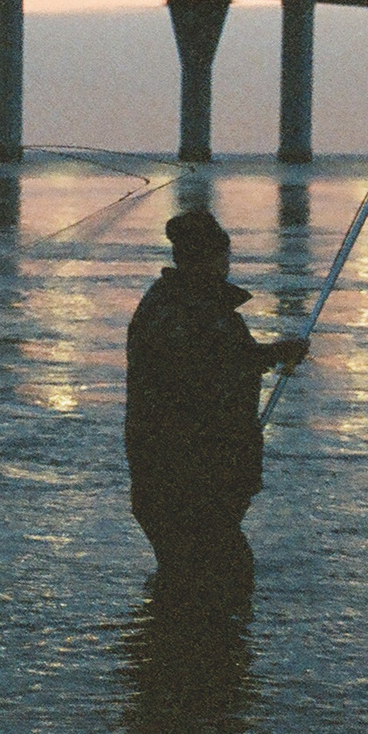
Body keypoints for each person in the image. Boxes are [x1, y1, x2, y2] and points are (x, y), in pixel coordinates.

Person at [123, 207, 308, 598]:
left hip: (180, 479)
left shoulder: (179, 304)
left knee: (192, 583)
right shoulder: (185, 310)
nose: (228, 264)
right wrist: (274, 355)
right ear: (208, 258)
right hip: (188, 481)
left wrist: (272, 356)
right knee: (217, 582)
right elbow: (207, 372)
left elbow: (218, 362)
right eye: (225, 255)